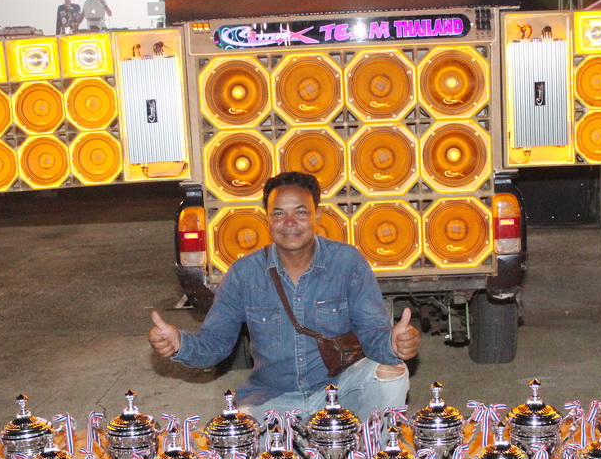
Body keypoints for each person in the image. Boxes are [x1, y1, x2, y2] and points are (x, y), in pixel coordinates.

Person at [149, 172, 421, 422]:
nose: (289, 222)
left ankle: (379, 454)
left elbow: (373, 332)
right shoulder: (244, 273)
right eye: (278, 213)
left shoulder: (347, 262)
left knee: (391, 372)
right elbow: (215, 343)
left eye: (300, 212)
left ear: (317, 216)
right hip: (271, 397)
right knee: (238, 435)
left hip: (338, 390)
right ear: (268, 219)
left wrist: (393, 344)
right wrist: (179, 344)